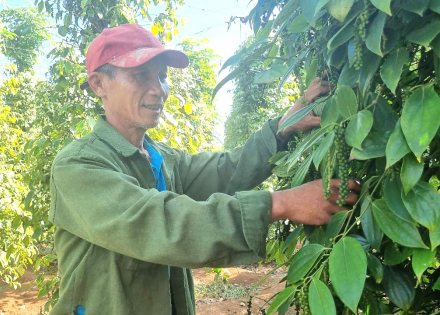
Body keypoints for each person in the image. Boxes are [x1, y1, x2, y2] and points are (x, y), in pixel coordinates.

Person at [48, 23, 360, 315]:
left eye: (162, 76)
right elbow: (161, 224)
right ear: (99, 84)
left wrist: (282, 128)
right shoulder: (78, 166)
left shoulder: (161, 159)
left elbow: (226, 170)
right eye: (141, 76)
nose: (158, 89)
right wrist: (281, 203)